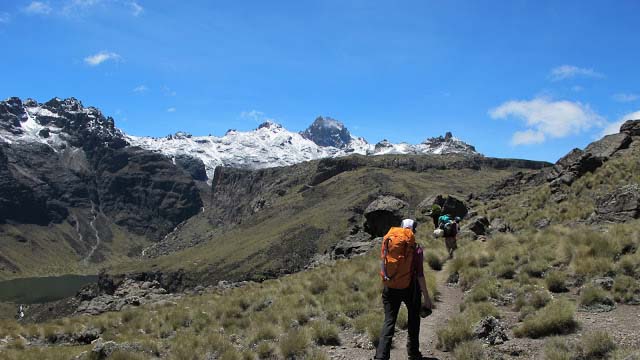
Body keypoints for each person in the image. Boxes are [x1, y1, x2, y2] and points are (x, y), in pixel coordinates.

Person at [375, 219, 433, 360]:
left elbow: (384, 263)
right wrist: (426, 296)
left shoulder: (388, 242)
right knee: (414, 318)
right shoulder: (416, 249)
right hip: (410, 288)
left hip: (390, 287)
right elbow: (419, 274)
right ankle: (413, 352)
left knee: (389, 321)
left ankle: (381, 357)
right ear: (413, 230)